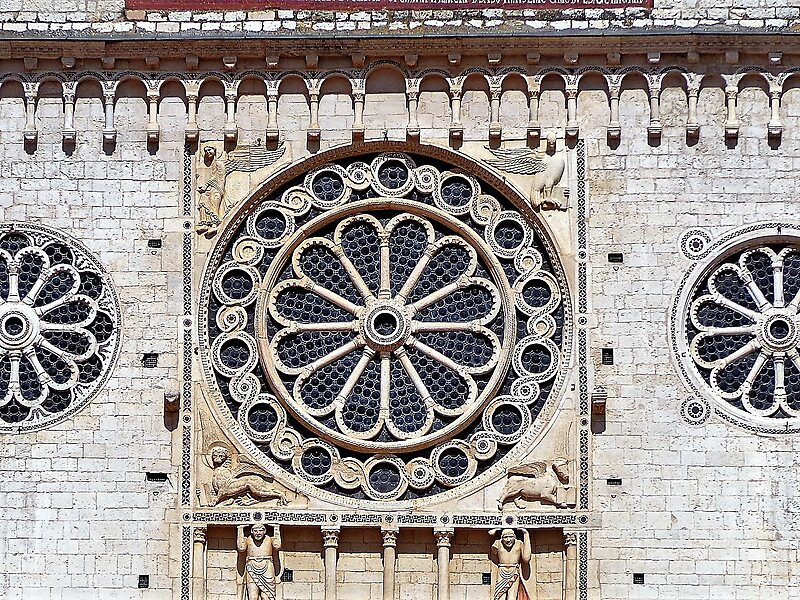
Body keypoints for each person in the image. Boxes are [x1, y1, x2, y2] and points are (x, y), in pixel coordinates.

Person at [210, 447, 287, 506]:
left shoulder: (224, 471)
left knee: (259, 492)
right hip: (234, 488)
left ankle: (279, 495)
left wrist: (216, 500)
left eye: (220, 456)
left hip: (250, 481)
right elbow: (223, 489)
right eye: (215, 456)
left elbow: (224, 489)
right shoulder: (218, 472)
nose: (217, 458)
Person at [237, 523, 281, 600]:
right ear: (251, 531)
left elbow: (277, 546)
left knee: (266, 596)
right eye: (255, 531)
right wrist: (240, 529)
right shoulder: (248, 539)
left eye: (261, 530)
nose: (258, 533)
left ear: (265, 531)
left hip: (267, 566)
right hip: (252, 566)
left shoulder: (269, 539)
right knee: (253, 597)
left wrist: (276, 528)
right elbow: (241, 548)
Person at [490, 528, 532, 600]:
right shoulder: (498, 543)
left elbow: (526, 558)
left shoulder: (519, 543)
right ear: (501, 538)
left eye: (510, 537)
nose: (508, 540)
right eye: (505, 537)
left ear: (514, 537)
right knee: (499, 596)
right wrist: (495, 531)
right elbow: (493, 548)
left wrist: (526, 535)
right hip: (501, 571)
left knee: (512, 596)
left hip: (514, 572)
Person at [196, 145, 226, 235]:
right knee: (203, 200)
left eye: (210, 150)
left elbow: (219, 176)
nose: (208, 152)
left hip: (217, 188)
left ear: (215, 150)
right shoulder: (212, 164)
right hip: (211, 187)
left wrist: (205, 186)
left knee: (214, 205)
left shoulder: (219, 163)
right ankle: (204, 223)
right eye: (206, 151)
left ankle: (214, 226)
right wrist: (205, 188)